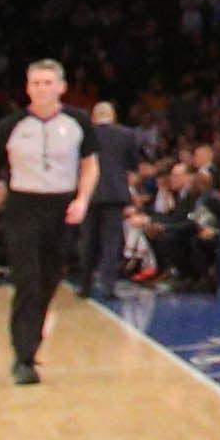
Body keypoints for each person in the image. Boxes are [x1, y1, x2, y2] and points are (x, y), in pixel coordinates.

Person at [0, 58, 99, 384]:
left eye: (48, 82)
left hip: (62, 208)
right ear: (28, 88)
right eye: (36, 83)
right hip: (23, 207)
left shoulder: (78, 122)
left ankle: (31, 344)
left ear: (61, 87)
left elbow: (90, 165)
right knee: (27, 280)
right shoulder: (11, 125)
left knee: (49, 281)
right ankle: (23, 358)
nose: (42, 88)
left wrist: (82, 200)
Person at [78, 99, 142, 300]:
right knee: (111, 241)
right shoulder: (126, 135)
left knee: (88, 240)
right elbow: (133, 163)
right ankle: (108, 287)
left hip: (90, 192)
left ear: (94, 117)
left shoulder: (84, 134)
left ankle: (85, 286)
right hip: (115, 193)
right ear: (113, 116)